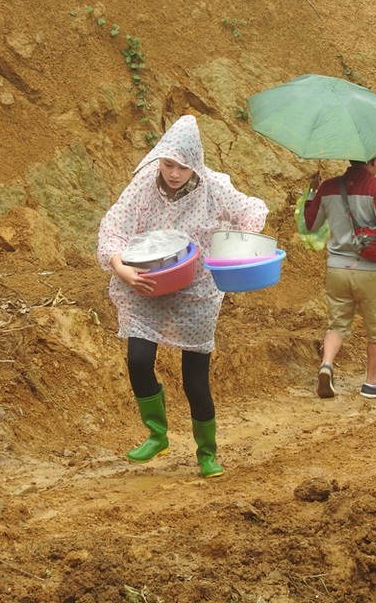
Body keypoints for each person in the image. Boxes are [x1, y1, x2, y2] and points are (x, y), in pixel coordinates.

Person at [96, 114, 269, 478]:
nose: (174, 173)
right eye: (168, 164)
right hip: (148, 284)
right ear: (159, 160)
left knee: (195, 381)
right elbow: (114, 227)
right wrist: (120, 267)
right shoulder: (143, 185)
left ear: (196, 165)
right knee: (139, 360)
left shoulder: (214, 186)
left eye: (183, 167)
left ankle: (207, 453)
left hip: (196, 292)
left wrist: (241, 242)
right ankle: (157, 434)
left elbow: (251, 209)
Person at [303, 153, 376, 399]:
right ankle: (371, 384)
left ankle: (326, 365)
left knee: (338, 325)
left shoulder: (329, 187)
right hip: (370, 271)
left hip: (337, 270)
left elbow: (310, 225)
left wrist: (312, 191)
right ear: (374, 161)